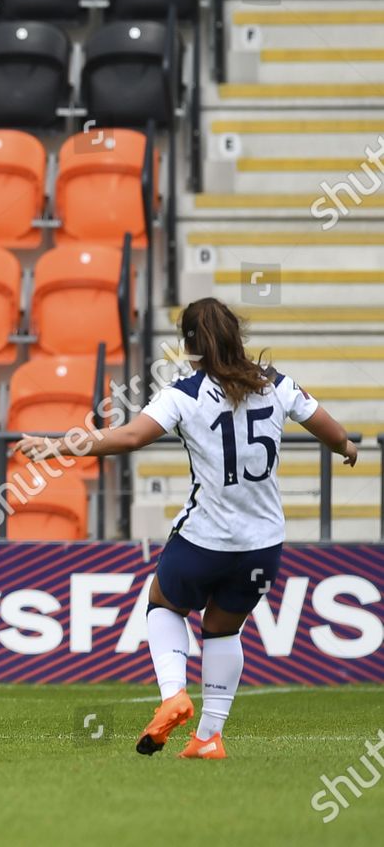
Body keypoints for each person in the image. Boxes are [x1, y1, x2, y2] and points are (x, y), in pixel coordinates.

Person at [19, 297, 358, 760]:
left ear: (191, 346)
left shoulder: (184, 392)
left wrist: (60, 445)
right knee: (222, 629)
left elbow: (130, 437)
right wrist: (344, 446)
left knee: (162, 604)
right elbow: (329, 428)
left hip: (205, 538)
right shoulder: (277, 385)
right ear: (237, 336)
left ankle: (174, 694)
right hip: (263, 546)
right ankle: (208, 737)